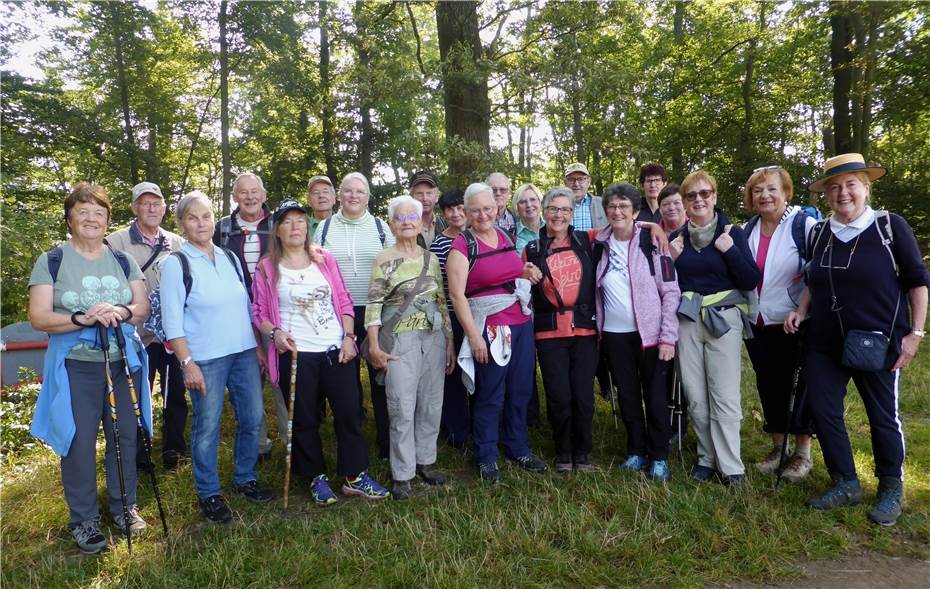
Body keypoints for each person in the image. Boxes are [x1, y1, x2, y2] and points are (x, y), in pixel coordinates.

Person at [785, 153, 928, 526]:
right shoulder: (820, 232)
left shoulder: (889, 227)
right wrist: (801, 310)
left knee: (882, 415)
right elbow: (813, 280)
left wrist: (915, 334)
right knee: (823, 409)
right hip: (824, 340)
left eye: (851, 184)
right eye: (834, 187)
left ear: (866, 187)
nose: (842, 193)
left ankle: (890, 487)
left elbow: (917, 281)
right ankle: (845, 481)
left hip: (878, 341)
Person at [29, 182, 151, 553]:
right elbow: (39, 317)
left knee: (125, 436)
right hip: (76, 367)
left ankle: (124, 506)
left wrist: (121, 311)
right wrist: (82, 319)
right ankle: (84, 520)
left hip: (121, 363)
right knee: (79, 442)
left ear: (108, 219)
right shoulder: (52, 259)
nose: (92, 218)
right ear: (69, 219)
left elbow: (142, 306)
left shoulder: (122, 259)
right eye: (83, 211)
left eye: (99, 212)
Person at [251, 200, 389, 505]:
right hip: (297, 354)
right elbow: (258, 311)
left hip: (334, 349)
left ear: (308, 226)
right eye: (287, 222)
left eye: (300, 220)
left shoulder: (324, 259)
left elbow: (343, 300)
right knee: (304, 418)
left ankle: (355, 475)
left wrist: (349, 337)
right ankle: (315, 477)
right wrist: (274, 333)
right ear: (277, 230)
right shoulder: (267, 267)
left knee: (350, 412)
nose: (295, 227)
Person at [161, 191, 274, 524]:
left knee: (252, 419)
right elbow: (171, 321)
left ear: (214, 220)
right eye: (193, 218)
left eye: (206, 216)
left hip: (242, 353)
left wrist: (255, 346)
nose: (201, 223)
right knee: (207, 428)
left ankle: (245, 478)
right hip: (205, 359)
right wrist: (187, 363)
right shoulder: (176, 264)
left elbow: (244, 306)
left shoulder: (229, 257)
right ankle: (209, 493)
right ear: (181, 224)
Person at [446, 182, 547, 483]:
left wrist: (526, 272)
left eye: (488, 208)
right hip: (490, 328)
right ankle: (487, 454)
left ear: (496, 207)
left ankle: (517, 446)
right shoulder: (462, 246)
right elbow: (456, 295)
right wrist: (474, 337)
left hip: (519, 323)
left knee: (520, 389)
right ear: (466, 212)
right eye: (475, 210)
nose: (483, 215)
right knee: (491, 393)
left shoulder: (505, 236)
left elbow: (512, 272)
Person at [669, 170, 760, 486]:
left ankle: (731, 465)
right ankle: (706, 459)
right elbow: (667, 286)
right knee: (695, 394)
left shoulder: (733, 234)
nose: (698, 200)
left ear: (715, 197)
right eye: (691, 196)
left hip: (724, 319)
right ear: (684, 202)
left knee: (723, 394)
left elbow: (749, 279)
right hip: (688, 321)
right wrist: (672, 259)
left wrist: (730, 251)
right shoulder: (676, 240)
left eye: (704, 193)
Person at [366, 195, 454, 499]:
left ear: (420, 222)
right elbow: (374, 303)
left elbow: (441, 300)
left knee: (431, 403)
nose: (406, 222)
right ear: (391, 224)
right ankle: (402, 473)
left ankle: (426, 461)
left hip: (434, 337)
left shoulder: (430, 258)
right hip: (400, 341)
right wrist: (374, 345)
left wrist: (450, 341)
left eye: (411, 217)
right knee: (401, 406)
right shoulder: (384, 259)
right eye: (400, 218)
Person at [593, 183, 681, 481]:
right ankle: (636, 451)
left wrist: (668, 337)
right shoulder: (599, 242)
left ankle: (658, 455)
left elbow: (671, 292)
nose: (617, 211)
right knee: (628, 395)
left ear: (635, 210)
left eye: (624, 206)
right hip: (615, 335)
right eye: (612, 206)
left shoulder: (653, 241)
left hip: (652, 337)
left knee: (655, 396)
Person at [740, 167, 817, 482]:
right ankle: (777, 448)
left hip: (795, 322)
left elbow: (818, 271)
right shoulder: (747, 230)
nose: (764, 196)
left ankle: (802, 453)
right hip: (758, 323)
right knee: (768, 385)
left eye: (771, 189)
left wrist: (801, 308)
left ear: (786, 192)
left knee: (798, 388)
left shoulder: (805, 226)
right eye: (757, 191)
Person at [107, 181, 186, 470]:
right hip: (135, 335)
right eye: (145, 203)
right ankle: (139, 454)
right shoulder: (115, 243)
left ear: (165, 208)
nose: (151, 208)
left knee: (175, 393)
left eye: (157, 203)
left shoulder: (178, 243)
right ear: (135, 208)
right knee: (137, 395)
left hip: (171, 335)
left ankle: (174, 450)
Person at [316, 172, 396, 459]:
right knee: (346, 386)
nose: (353, 196)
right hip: (340, 316)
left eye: (360, 192)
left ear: (367, 197)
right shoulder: (324, 229)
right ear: (339, 195)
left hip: (377, 310)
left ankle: (387, 443)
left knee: (381, 377)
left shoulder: (380, 227)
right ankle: (352, 445)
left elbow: (393, 267)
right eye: (348, 191)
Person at [522, 187, 598, 472]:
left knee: (583, 395)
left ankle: (583, 452)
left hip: (585, 331)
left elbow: (625, 226)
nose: (559, 214)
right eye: (553, 208)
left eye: (565, 209)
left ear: (573, 213)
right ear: (544, 211)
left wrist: (654, 227)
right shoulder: (532, 248)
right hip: (548, 332)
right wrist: (523, 274)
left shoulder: (587, 240)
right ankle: (563, 452)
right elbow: (517, 289)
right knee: (559, 395)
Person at [213, 172, 280, 458]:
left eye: (255, 192)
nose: (250, 197)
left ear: (264, 196)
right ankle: (259, 445)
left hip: (276, 313)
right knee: (250, 382)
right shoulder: (222, 229)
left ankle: (293, 440)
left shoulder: (278, 223)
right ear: (235, 197)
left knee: (281, 376)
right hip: (237, 317)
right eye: (244, 192)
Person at [429, 189, 471, 447]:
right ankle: (457, 432)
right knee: (453, 372)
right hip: (452, 314)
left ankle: (480, 425)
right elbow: (438, 288)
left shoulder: (478, 237)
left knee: (478, 370)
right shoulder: (439, 244)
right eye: (450, 210)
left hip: (477, 313)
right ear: (443, 214)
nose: (456, 214)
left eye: (460, 208)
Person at [563, 163, 608, 231]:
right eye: (571, 179)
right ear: (565, 182)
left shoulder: (602, 204)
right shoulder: (557, 206)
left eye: (580, 179)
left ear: (588, 181)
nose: (576, 184)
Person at [409, 169, 446, 247]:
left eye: (429, 193)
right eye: (419, 193)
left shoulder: (447, 225)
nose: (425, 198)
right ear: (412, 197)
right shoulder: (404, 226)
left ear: (436, 197)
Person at [512, 183, 544, 255]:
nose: (529, 205)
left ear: (540, 203)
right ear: (517, 207)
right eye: (523, 202)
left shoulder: (553, 228)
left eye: (533, 199)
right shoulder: (511, 235)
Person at [306, 175, 335, 241]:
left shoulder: (344, 225)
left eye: (325, 191)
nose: (321, 195)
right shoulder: (302, 227)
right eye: (316, 192)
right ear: (309, 201)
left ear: (334, 198)